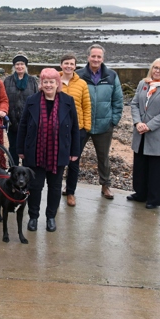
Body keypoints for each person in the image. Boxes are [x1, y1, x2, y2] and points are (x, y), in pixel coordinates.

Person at [17, 68, 80, 233]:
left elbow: (74, 128)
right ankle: (33, 217)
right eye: (45, 81)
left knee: (55, 187)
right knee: (35, 186)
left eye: (52, 81)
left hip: (58, 152)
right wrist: (20, 149)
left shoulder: (68, 101)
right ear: (41, 84)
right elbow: (22, 126)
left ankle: (51, 217)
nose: (48, 85)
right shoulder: (32, 100)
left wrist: (74, 151)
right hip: (34, 152)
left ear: (57, 83)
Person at [128, 58, 160, 209]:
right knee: (140, 166)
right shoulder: (143, 84)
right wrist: (137, 122)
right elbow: (135, 104)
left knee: (155, 169)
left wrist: (148, 126)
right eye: (155, 67)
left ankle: (154, 199)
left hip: (158, 134)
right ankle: (140, 193)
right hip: (140, 132)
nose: (157, 71)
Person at [78, 44, 123, 200]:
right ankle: (69, 186)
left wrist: (114, 120)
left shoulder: (111, 75)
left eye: (99, 57)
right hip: (82, 125)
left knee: (103, 158)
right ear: (88, 57)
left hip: (104, 125)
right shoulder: (79, 75)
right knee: (73, 156)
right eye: (93, 56)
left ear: (103, 59)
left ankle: (105, 185)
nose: (96, 59)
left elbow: (118, 100)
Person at [59, 53, 92, 207]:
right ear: (61, 65)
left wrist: (86, 127)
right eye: (66, 63)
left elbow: (86, 106)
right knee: (57, 162)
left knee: (74, 163)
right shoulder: (55, 80)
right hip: (57, 129)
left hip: (77, 130)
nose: (69, 66)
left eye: (72, 64)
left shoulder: (82, 84)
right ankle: (56, 189)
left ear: (75, 66)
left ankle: (70, 192)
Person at [4, 53, 39, 166]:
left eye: (22, 64)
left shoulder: (32, 81)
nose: (19, 66)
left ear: (25, 66)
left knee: (27, 148)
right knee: (13, 147)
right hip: (12, 121)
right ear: (14, 66)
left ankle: (26, 173)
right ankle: (13, 171)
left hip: (28, 122)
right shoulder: (7, 81)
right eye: (17, 64)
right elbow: (4, 99)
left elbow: (37, 99)